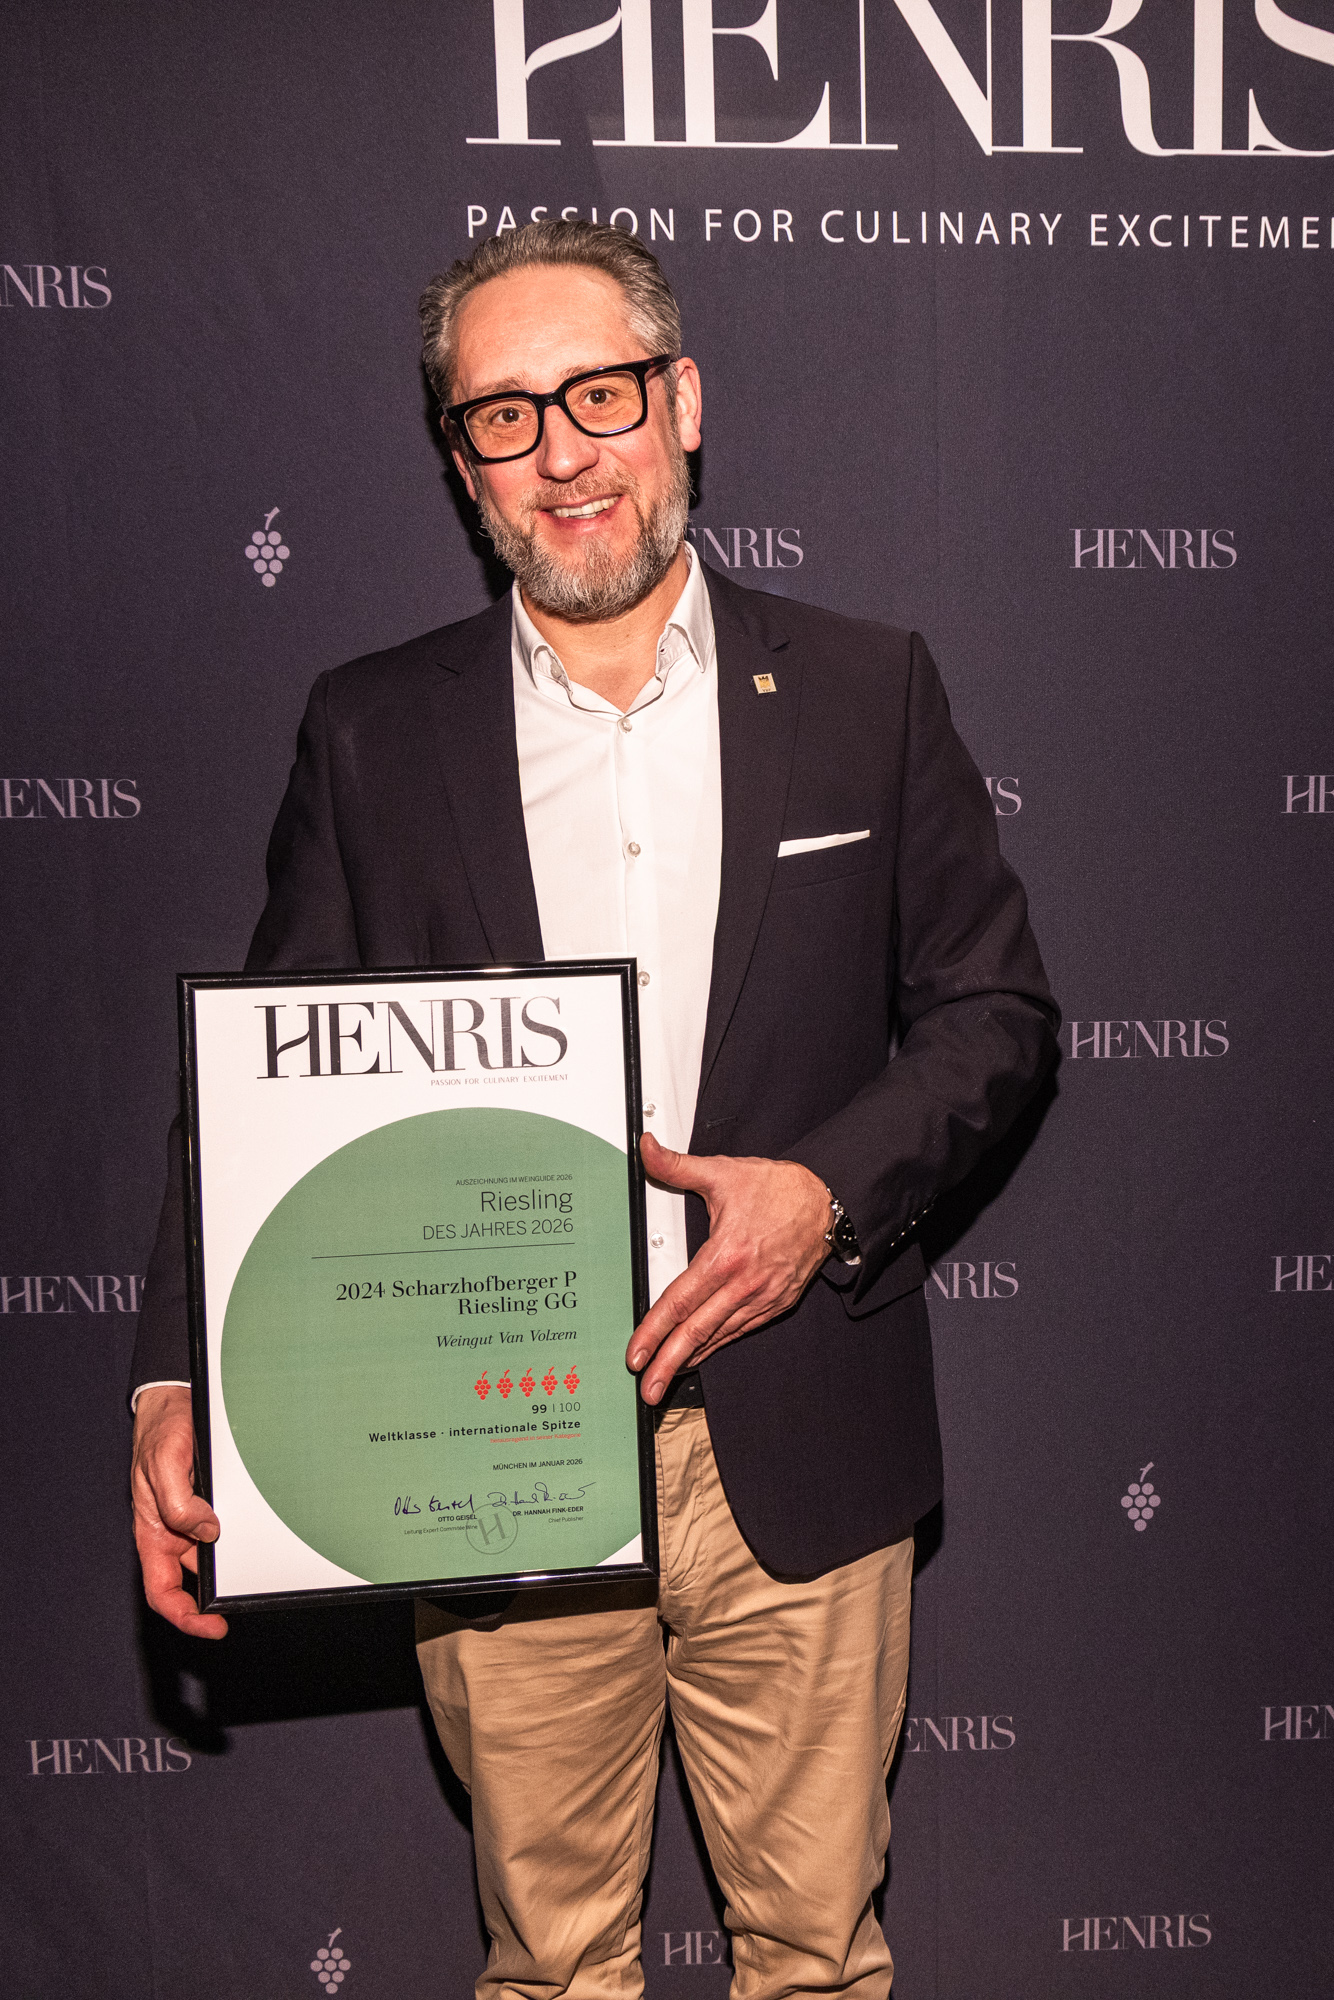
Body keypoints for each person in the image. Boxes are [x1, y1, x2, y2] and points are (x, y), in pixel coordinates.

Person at [130, 219, 1058, 1999]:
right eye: (502, 414)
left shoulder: (866, 688)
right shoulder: (372, 731)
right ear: (460, 458)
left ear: (680, 401)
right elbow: (258, 1078)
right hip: (490, 1446)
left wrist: (821, 1193)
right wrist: (182, 1377)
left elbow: (994, 1013)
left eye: (600, 395)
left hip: (799, 1426)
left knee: (815, 1957)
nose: (560, 451)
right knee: (550, 1967)